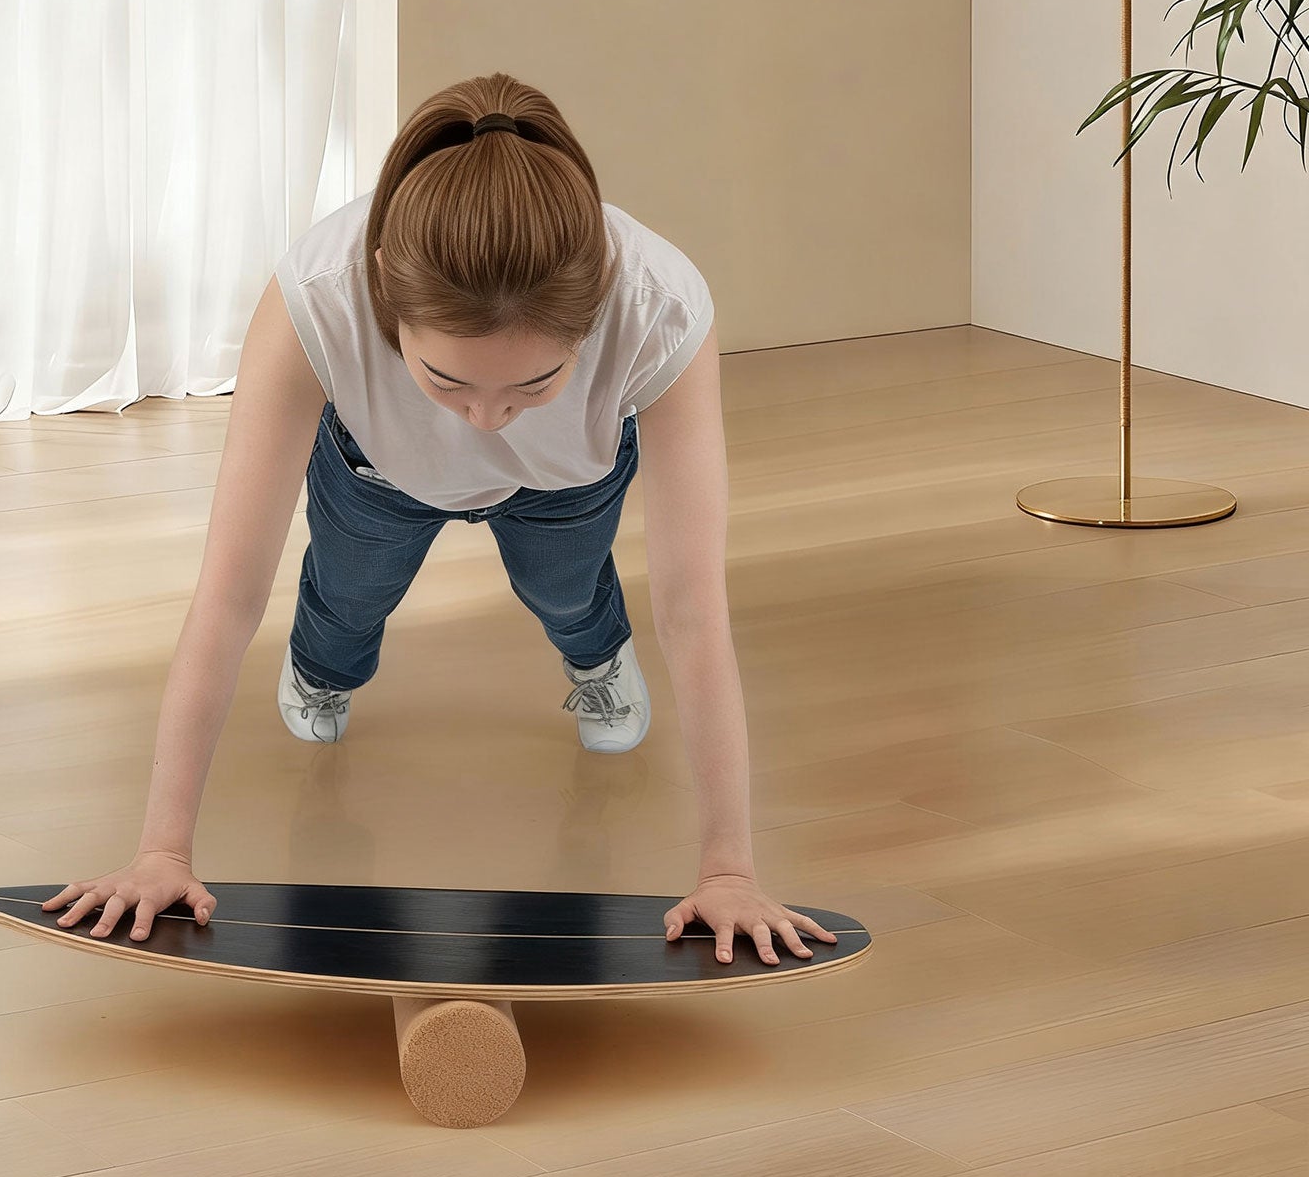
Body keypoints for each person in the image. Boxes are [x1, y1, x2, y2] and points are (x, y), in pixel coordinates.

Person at [43, 73, 837, 969]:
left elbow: (694, 610)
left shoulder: (663, 307)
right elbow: (229, 594)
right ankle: (323, 672)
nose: (488, 419)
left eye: (535, 384)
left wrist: (729, 867)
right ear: (387, 290)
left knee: (570, 594)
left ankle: (594, 657)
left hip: (568, 480)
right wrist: (162, 852)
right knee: (343, 609)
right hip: (378, 469)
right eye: (448, 379)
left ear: (596, 312)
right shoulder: (317, 296)